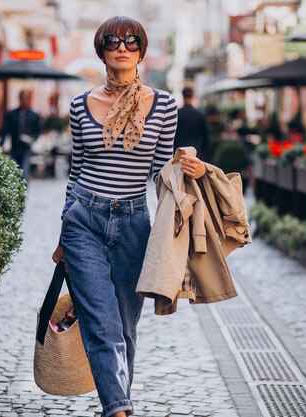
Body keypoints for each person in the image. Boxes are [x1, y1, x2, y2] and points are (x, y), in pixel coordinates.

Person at [50, 15, 204, 417]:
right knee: (101, 323)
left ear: (141, 51)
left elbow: (158, 170)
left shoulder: (165, 104)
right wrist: (64, 234)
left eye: (132, 41)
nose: (123, 46)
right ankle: (118, 410)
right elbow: (76, 169)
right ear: (101, 49)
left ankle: (118, 403)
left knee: (124, 328)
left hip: (135, 224)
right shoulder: (80, 104)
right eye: (114, 40)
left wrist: (191, 169)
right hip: (84, 220)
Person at [0, 89, 41, 180]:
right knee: (14, 171)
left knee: (24, 172)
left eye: (26, 98)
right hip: (15, 147)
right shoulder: (11, 114)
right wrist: (1, 145)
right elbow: (5, 130)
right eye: (23, 98)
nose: (24, 101)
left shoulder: (34, 115)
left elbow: (37, 131)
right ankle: (16, 192)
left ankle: (23, 193)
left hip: (26, 148)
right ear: (20, 99)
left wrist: (33, 138)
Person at [174, 86, 209, 159]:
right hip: (196, 150)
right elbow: (206, 136)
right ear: (193, 97)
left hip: (179, 150)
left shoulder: (176, 113)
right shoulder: (200, 114)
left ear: (183, 96)